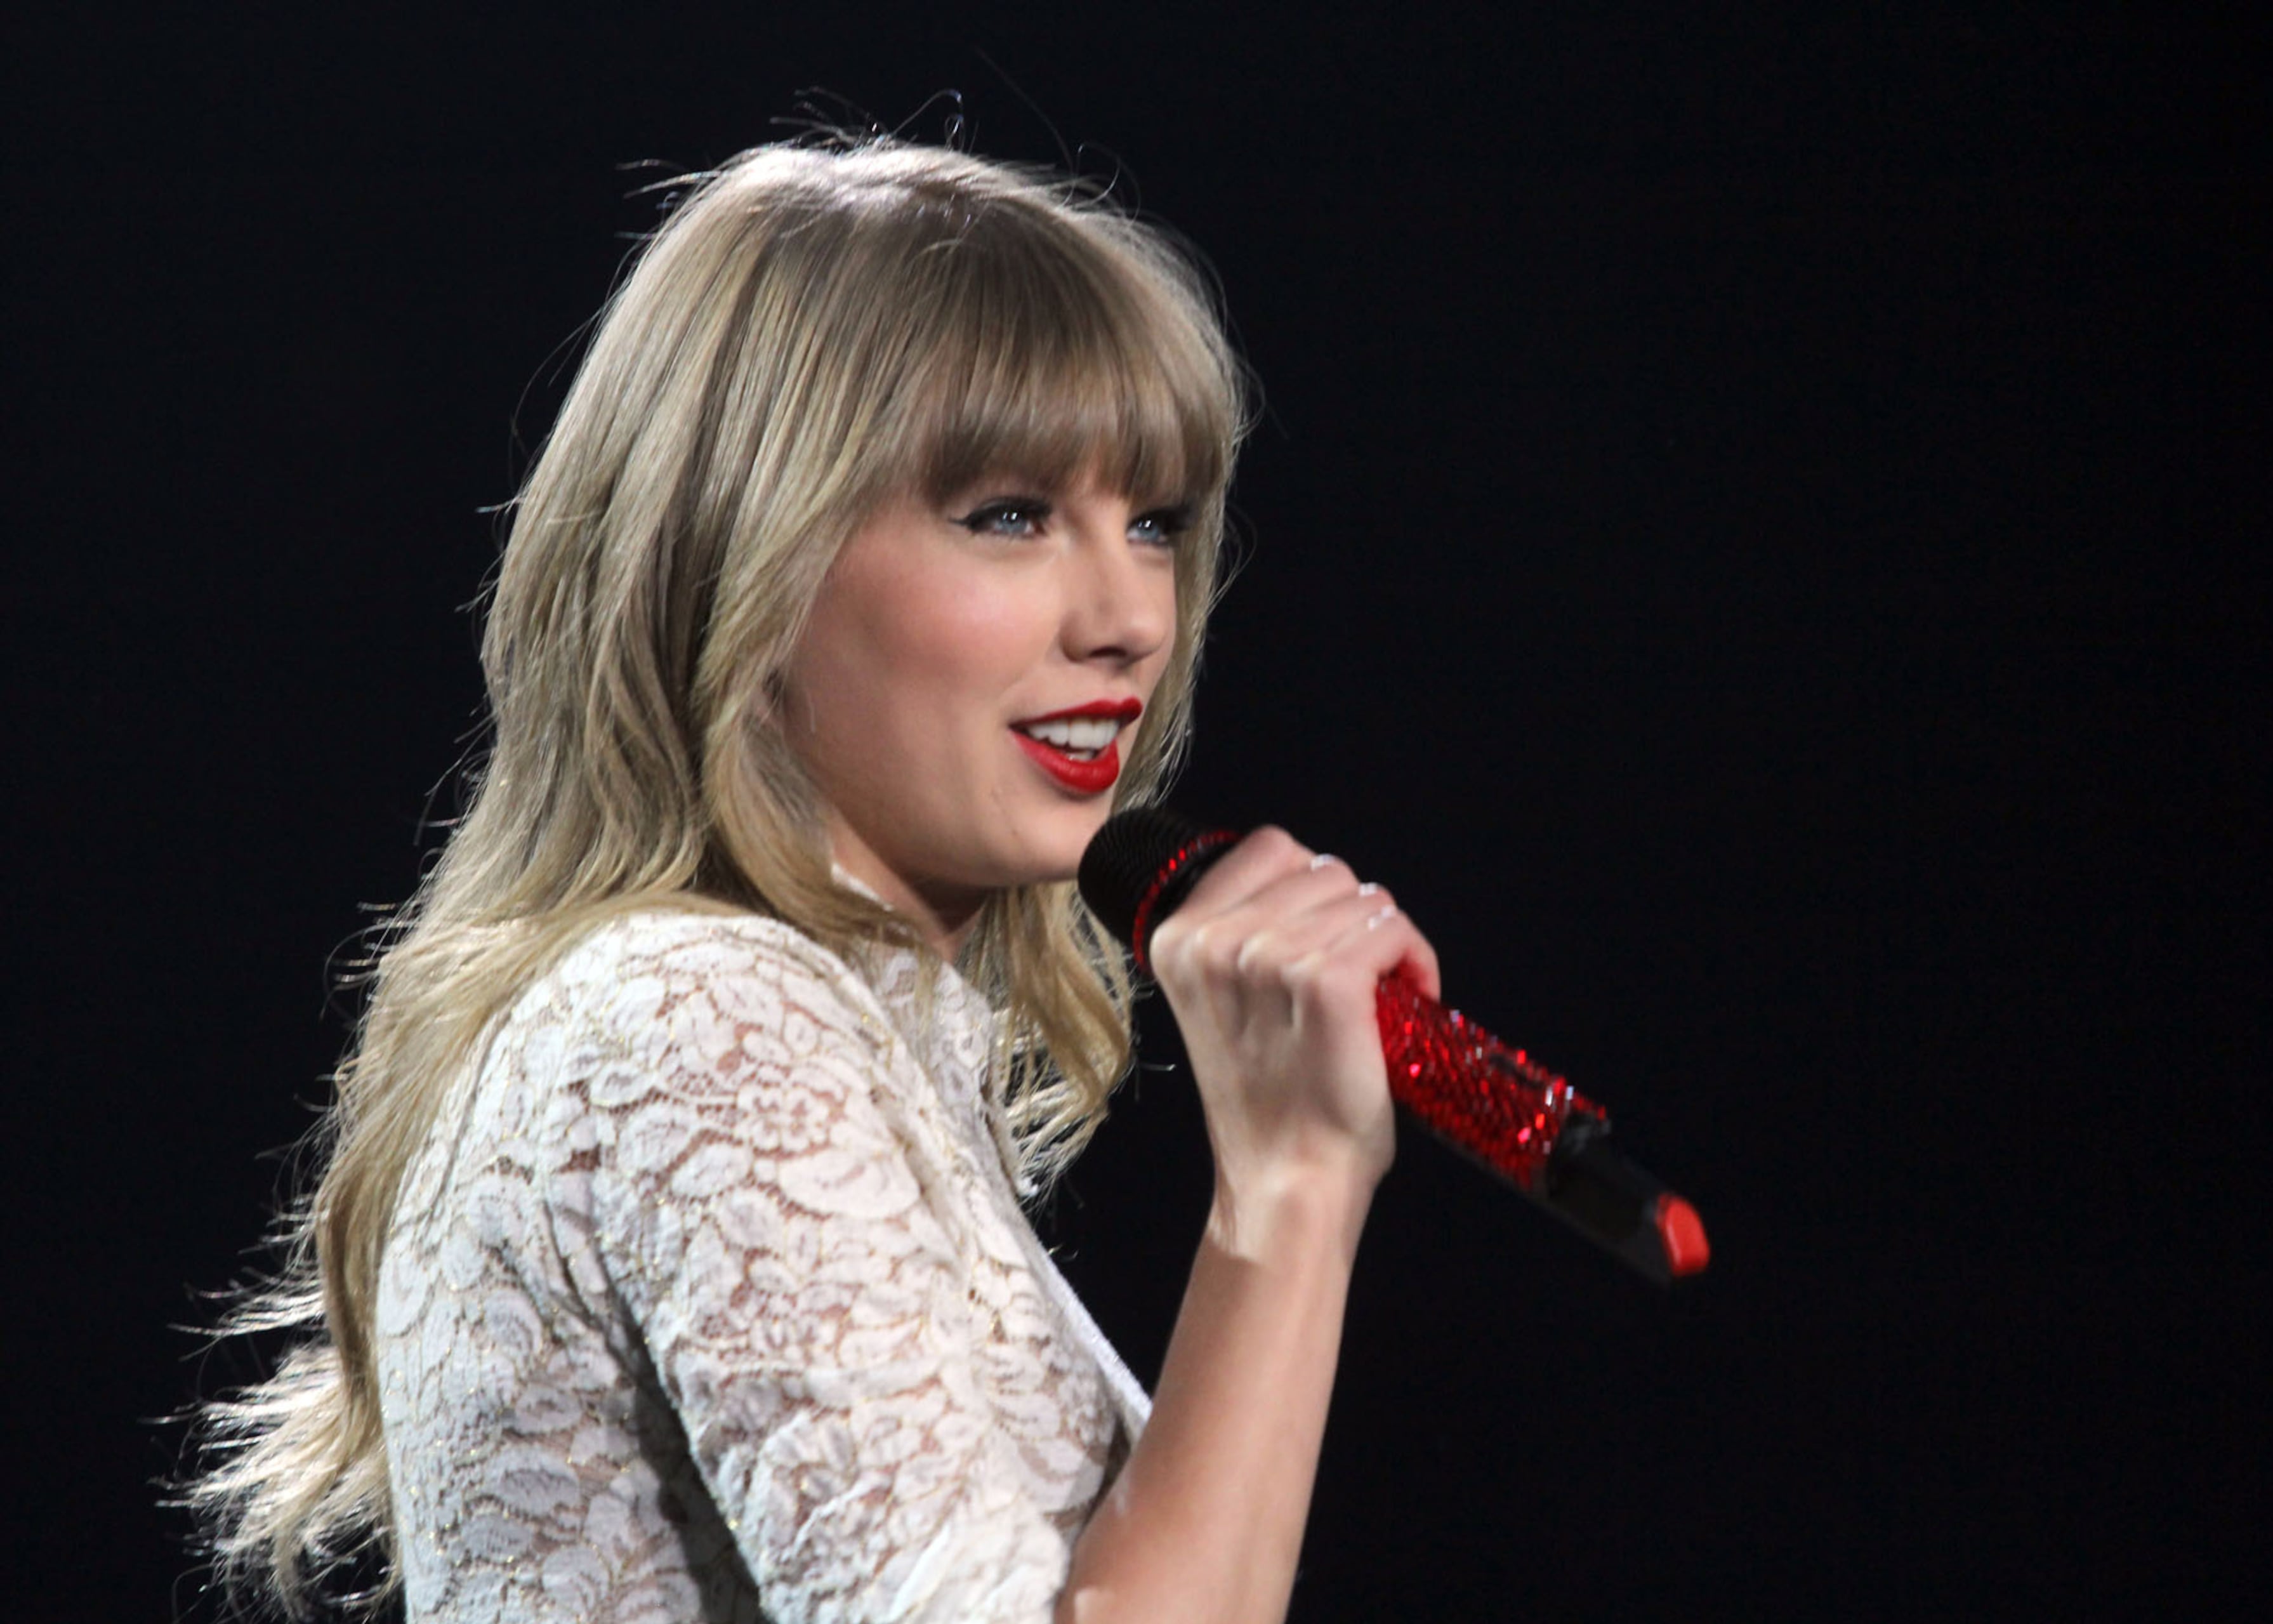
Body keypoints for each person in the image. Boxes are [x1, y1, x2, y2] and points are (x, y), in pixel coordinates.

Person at [188, 138, 1440, 1624]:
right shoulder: (702, 1019)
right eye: (1013, 513)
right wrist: (1288, 1189)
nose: (1128, 618)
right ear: (750, 552)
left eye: (1153, 519)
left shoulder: (808, 1020)